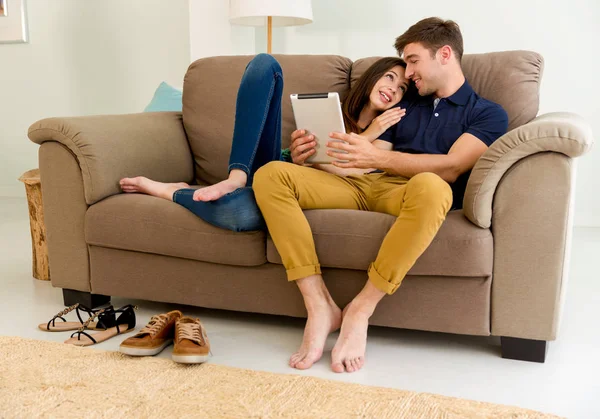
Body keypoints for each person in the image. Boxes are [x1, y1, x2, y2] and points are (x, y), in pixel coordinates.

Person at [251, 17, 509, 373]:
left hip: (408, 192)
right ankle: (319, 305)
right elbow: (362, 163)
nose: (409, 71)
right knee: (272, 174)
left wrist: (376, 157)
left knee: (435, 186)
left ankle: (360, 309)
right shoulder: (407, 105)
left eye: (414, 60)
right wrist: (312, 160)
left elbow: (451, 168)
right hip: (364, 184)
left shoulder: (487, 113)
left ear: (445, 54)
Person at [119, 54, 412, 232]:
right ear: (372, 77)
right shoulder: (332, 109)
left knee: (238, 213)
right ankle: (236, 176)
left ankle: (174, 191)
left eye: (401, 88)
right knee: (264, 64)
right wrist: (300, 154)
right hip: (274, 163)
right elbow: (305, 155)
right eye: (389, 77)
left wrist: (369, 134)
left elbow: (356, 175)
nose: (393, 89)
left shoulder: (388, 132)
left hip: (289, 187)